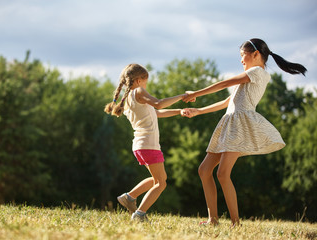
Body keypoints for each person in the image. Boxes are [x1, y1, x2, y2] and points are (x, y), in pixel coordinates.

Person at [182, 38, 307, 226]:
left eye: (243, 55)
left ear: (256, 54)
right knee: (204, 170)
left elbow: (224, 84)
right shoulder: (251, 74)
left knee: (223, 174)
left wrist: (195, 94)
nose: (241, 60)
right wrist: (198, 110)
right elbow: (227, 102)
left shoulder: (257, 72)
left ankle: (236, 223)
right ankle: (213, 220)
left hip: (240, 125)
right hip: (229, 123)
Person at [104, 63, 187, 222]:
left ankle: (129, 197)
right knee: (161, 183)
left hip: (140, 145)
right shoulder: (138, 92)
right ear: (138, 80)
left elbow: (156, 112)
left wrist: (179, 111)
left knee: (157, 179)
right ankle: (140, 214)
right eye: (145, 81)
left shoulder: (126, 99)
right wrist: (182, 96)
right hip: (148, 144)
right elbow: (159, 103)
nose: (146, 85)